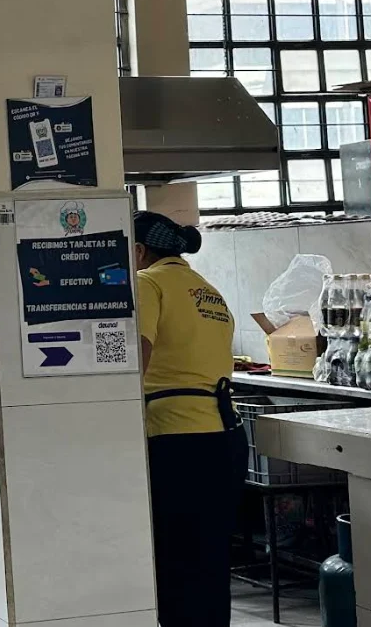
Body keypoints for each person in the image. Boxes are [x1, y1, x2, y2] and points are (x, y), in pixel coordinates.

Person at [132, 210, 242, 626]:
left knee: (175, 559)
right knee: (210, 559)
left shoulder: (147, 282)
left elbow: (136, 358)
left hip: (176, 438)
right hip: (223, 436)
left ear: (140, 251)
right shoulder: (207, 289)